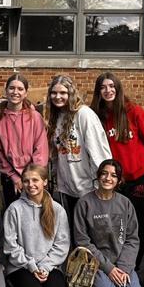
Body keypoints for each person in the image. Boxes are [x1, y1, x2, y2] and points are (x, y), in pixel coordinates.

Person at [72, 159, 144, 287]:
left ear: (119, 180)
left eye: (113, 175)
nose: (108, 178)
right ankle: (97, 286)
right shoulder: (84, 203)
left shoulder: (125, 203)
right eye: (104, 174)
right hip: (96, 264)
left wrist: (124, 268)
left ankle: (115, 284)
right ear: (98, 176)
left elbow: (132, 239)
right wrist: (109, 268)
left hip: (122, 263)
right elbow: (83, 241)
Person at [90, 72, 144, 225]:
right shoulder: (97, 116)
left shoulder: (134, 111)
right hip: (117, 177)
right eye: (103, 87)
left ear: (118, 88)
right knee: (120, 218)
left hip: (142, 174)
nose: (108, 90)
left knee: (141, 217)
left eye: (111, 86)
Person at [1, 164, 70, 287]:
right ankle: (13, 286)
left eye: (35, 180)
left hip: (49, 265)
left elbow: (62, 244)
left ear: (44, 182)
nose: (30, 184)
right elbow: (10, 245)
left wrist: (45, 267)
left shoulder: (58, 210)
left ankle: (40, 285)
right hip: (21, 266)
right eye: (26, 181)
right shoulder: (14, 209)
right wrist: (31, 266)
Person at [45, 74, 111, 216]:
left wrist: (102, 182)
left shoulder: (84, 114)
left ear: (71, 93)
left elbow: (98, 151)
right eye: (54, 93)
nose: (58, 96)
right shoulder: (55, 116)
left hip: (88, 187)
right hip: (66, 187)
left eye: (63, 93)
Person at [0, 73, 48, 207]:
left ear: (26, 93)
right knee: (13, 211)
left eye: (20, 89)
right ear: (6, 91)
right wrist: (15, 177)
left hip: (33, 177)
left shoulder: (35, 117)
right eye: (11, 88)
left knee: (36, 211)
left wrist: (31, 177)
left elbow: (41, 149)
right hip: (10, 177)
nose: (15, 92)